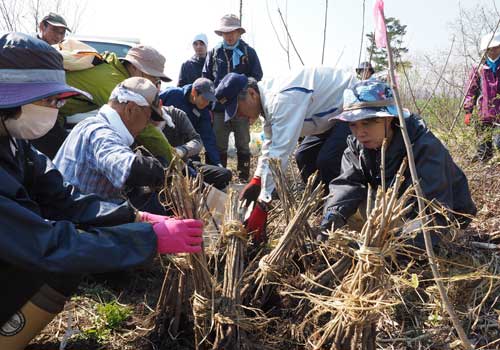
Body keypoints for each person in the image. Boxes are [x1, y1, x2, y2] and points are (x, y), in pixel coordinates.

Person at [0, 33, 203, 349]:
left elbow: (64, 197)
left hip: (31, 239)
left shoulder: (16, 144)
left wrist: (137, 216)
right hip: (31, 244)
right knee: (61, 263)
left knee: (64, 268)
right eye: (50, 100)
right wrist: (149, 238)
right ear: (11, 96)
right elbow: (46, 246)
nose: (57, 109)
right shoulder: (99, 130)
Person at [319, 80, 477, 247]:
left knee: (417, 242)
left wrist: (395, 249)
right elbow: (347, 185)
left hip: (444, 218)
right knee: (348, 211)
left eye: (367, 122)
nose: (360, 132)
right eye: (353, 125)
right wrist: (332, 218)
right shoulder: (357, 148)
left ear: (390, 118)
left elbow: (434, 213)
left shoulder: (424, 147)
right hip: (397, 210)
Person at [215, 68, 357, 242]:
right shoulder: (266, 105)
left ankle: (341, 216)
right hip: (326, 117)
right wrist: (257, 179)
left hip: (349, 105)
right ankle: (324, 209)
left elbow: (280, 152)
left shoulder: (282, 100)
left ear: (251, 93)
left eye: (237, 109)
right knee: (304, 156)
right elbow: (269, 145)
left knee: (328, 159)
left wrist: (263, 203)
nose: (239, 116)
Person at [32, 44, 174, 160]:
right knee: (65, 160)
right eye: (153, 77)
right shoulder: (115, 82)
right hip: (38, 112)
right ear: (134, 67)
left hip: (54, 113)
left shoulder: (111, 70)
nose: (155, 82)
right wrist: (174, 161)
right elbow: (145, 130)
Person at [53, 77, 172, 214]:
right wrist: (167, 173)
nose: (149, 123)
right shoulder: (99, 132)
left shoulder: (93, 125)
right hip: (71, 224)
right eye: (149, 116)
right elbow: (129, 167)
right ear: (130, 109)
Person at [203, 14, 263, 181]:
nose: (229, 36)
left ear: (239, 33)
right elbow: (206, 78)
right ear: (221, 34)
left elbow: (257, 76)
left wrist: (244, 86)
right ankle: (219, 177)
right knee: (218, 145)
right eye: (225, 32)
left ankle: (244, 178)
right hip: (219, 107)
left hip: (241, 108)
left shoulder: (248, 52)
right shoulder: (214, 53)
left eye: (232, 32)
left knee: (243, 144)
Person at [159, 105, 232, 190]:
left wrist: (183, 150)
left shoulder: (176, 114)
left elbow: (197, 140)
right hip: (162, 171)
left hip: (184, 164)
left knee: (224, 174)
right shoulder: (144, 123)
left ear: (160, 103)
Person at [160, 77, 224, 166]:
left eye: (209, 100)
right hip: (161, 142)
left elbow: (208, 137)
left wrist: (217, 162)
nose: (207, 103)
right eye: (204, 98)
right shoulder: (173, 94)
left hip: (184, 151)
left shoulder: (204, 112)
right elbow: (152, 104)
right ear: (194, 92)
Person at [464, 31, 500, 162]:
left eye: (496, 47)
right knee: (483, 149)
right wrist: (468, 111)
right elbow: (471, 91)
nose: (493, 51)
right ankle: (486, 176)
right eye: (490, 48)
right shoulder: (478, 68)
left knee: (499, 143)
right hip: (483, 115)